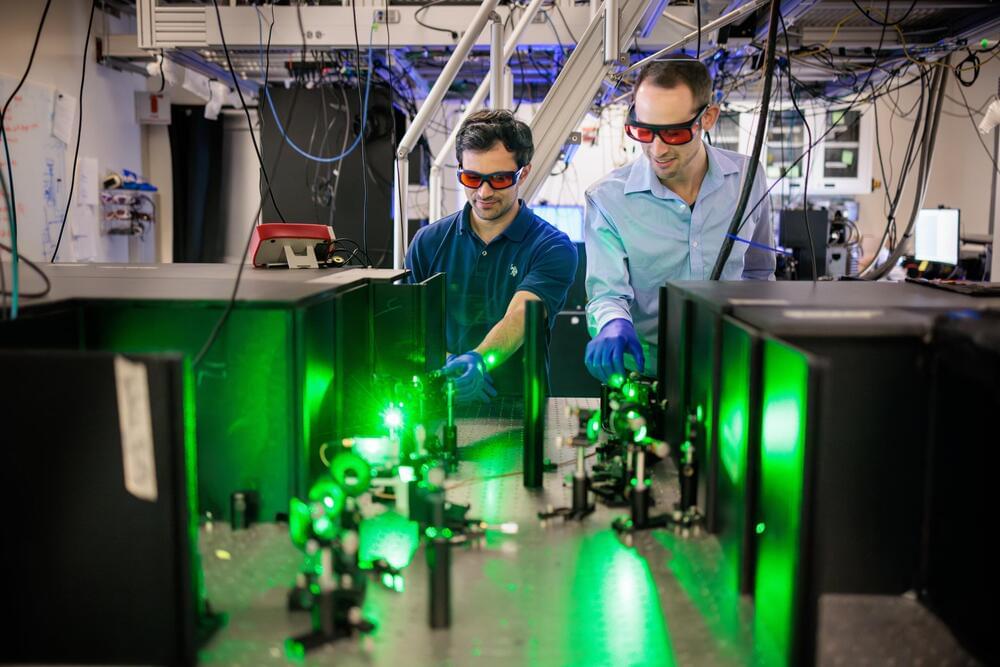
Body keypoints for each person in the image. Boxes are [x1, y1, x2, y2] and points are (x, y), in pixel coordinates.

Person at [584, 59, 775, 383]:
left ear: (708, 118)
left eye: (673, 133)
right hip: (646, 372)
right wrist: (613, 323)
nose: (657, 149)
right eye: (644, 131)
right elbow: (607, 294)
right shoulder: (608, 199)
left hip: (730, 369)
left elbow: (759, 274)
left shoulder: (747, 179)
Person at [406, 110, 578, 403]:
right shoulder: (428, 243)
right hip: (441, 401)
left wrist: (479, 360)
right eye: (472, 178)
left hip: (521, 410)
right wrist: (450, 368)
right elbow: (410, 326)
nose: (483, 192)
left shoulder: (551, 246)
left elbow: (522, 315)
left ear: (523, 173)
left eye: (498, 179)